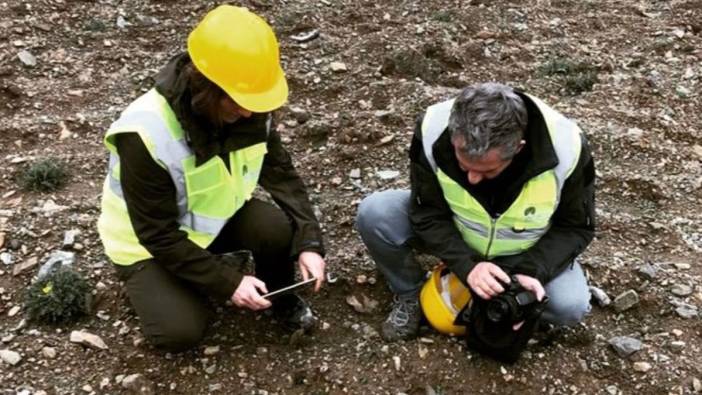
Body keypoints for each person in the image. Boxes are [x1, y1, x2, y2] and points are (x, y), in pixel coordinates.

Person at [97, 5, 326, 352]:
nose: (248, 111)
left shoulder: (250, 111)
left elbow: (283, 177)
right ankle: (154, 284)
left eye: (254, 100)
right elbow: (156, 235)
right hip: (147, 246)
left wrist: (309, 243)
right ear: (204, 84)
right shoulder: (145, 133)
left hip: (208, 225)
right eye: (238, 100)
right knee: (179, 331)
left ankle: (282, 299)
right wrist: (228, 283)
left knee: (275, 228)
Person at [356, 82, 595, 341]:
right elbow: (426, 211)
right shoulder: (433, 127)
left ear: (518, 147)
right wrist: (467, 265)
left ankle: (515, 311)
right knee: (376, 213)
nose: (471, 179)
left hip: (524, 250)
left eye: (487, 171)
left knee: (570, 306)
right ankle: (410, 293)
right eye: (462, 164)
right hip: (459, 230)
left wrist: (532, 270)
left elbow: (576, 227)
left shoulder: (567, 148)